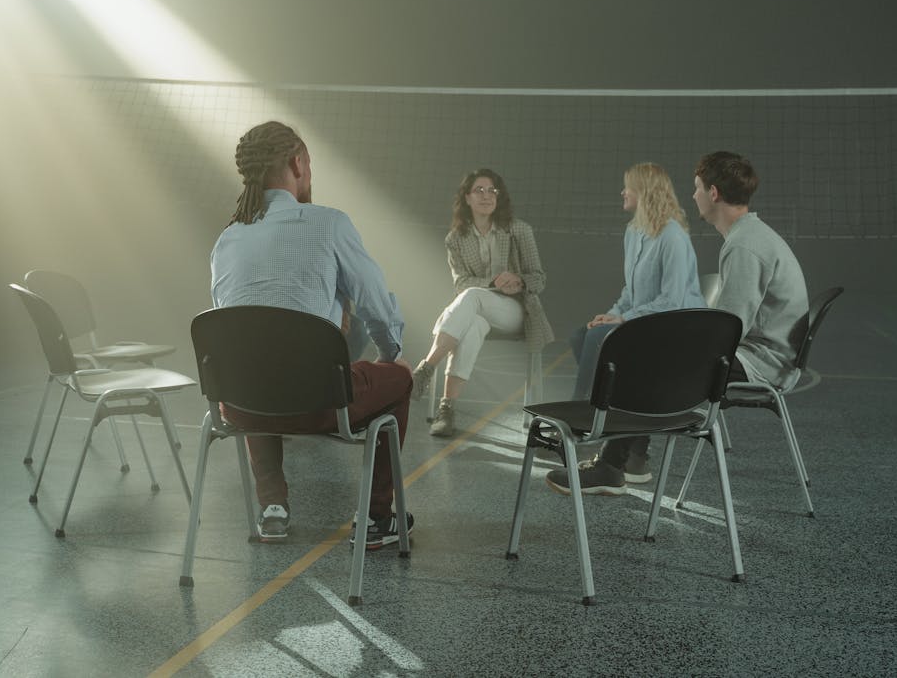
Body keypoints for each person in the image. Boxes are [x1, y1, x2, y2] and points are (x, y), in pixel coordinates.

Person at [209, 120, 414, 548]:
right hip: (317, 406)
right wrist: (390, 354)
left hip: (240, 408)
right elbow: (376, 306)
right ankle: (377, 517)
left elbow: (231, 328)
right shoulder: (330, 223)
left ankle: (272, 507)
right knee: (399, 379)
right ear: (298, 162)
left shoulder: (228, 237)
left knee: (253, 366)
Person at [547, 162, 706, 496]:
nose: (623, 192)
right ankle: (635, 452)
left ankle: (580, 419)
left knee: (600, 341)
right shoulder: (634, 232)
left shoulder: (672, 236)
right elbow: (630, 294)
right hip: (643, 324)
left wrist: (623, 320)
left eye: (628, 187)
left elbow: (672, 301)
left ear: (644, 192)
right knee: (583, 334)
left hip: (674, 329)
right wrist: (611, 315)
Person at [411, 169, 554, 437]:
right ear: (467, 197)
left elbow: (539, 278)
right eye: (479, 190)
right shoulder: (455, 239)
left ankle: (426, 368)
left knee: (472, 296)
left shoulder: (519, 230)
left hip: (515, 311)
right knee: (473, 323)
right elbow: (461, 283)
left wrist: (519, 280)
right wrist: (493, 282)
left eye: (492, 190)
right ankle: (446, 410)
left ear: (499, 197)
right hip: (475, 309)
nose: (486, 196)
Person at [690, 150, 809, 389]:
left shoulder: (744, 244)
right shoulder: (748, 234)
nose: (694, 196)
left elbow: (729, 329)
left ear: (713, 193)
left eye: (697, 188)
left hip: (764, 363)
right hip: (763, 354)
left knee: (664, 357)